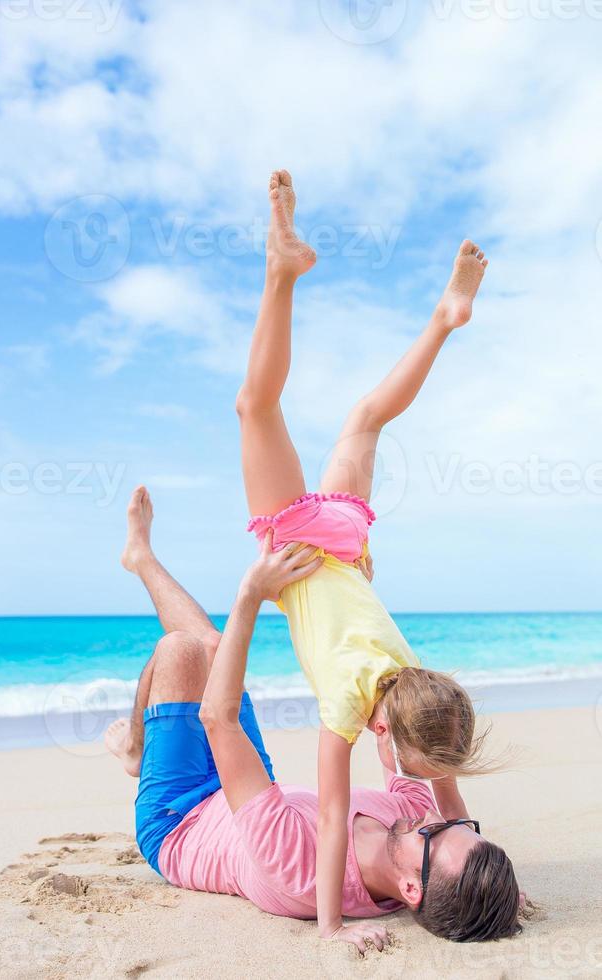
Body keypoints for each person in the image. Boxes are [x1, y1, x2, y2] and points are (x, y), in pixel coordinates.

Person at [235, 169, 492, 944]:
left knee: (366, 417)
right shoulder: (351, 708)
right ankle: (280, 270)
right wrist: (327, 931)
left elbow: (445, 787)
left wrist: (470, 827)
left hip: (349, 548)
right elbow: (335, 824)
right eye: (411, 763)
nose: (412, 778)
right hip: (303, 551)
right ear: (389, 734)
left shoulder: (419, 682)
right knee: (255, 406)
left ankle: (445, 320)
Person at [106, 488, 521, 950]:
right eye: (459, 826)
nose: (434, 815)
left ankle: (139, 755)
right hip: (251, 791)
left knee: (184, 649)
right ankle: (139, 557)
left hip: (179, 817)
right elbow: (413, 736)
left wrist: (250, 594)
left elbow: (216, 719)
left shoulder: (299, 869)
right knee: (211, 646)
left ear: (411, 889)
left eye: (437, 831)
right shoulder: (410, 823)